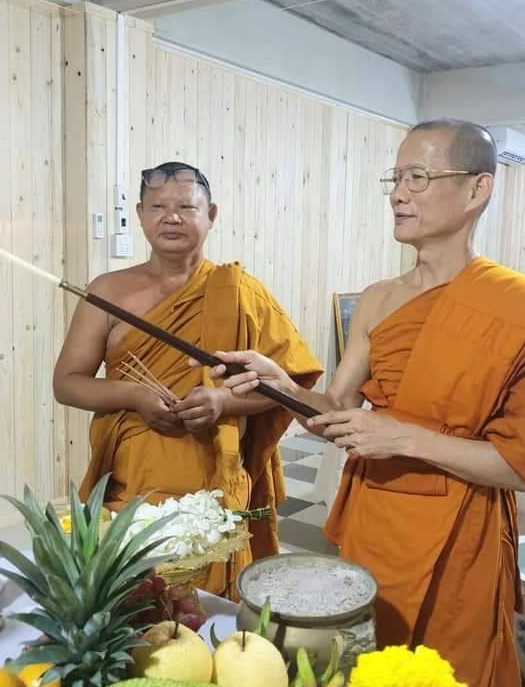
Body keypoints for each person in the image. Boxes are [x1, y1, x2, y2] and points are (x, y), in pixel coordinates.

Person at [207, 122, 525, 687]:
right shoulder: (380, 298)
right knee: (365, 666)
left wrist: (402, 438)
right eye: (395, 178)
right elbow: (336, 409)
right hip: (373, 522)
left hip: (462, 532)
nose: (398, 194)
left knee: (443, 678)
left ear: (478, 190)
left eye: (419, 177)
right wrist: (278, 381)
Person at [53, 161, 323, 596]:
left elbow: (287, 389)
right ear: (140, 214)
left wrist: (223, 403)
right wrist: (133, 394)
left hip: (214, 477)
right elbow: (67, 382)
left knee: (208, 612)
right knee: (131, 599)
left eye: (185, 206)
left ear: (211, 214)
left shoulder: (240, 292)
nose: (171, 217)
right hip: (133, 477)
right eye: (158, 206)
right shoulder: (107, 291)